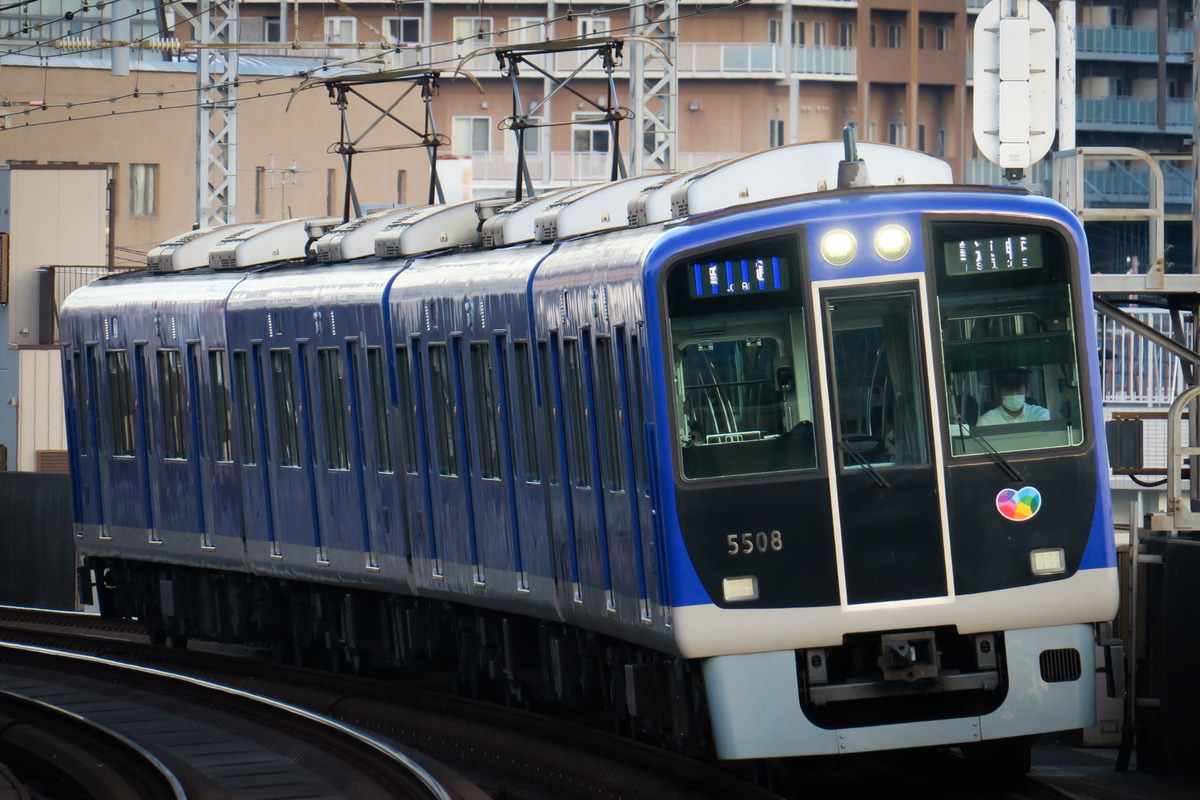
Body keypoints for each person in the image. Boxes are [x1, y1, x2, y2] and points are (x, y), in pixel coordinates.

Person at [976, 368, 1050, 425]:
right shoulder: (987, 420)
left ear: (1027, 390)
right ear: (999, 392)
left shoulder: (1039, 414)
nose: (1014, 394)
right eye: (1008, 390)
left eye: (1018, 389)